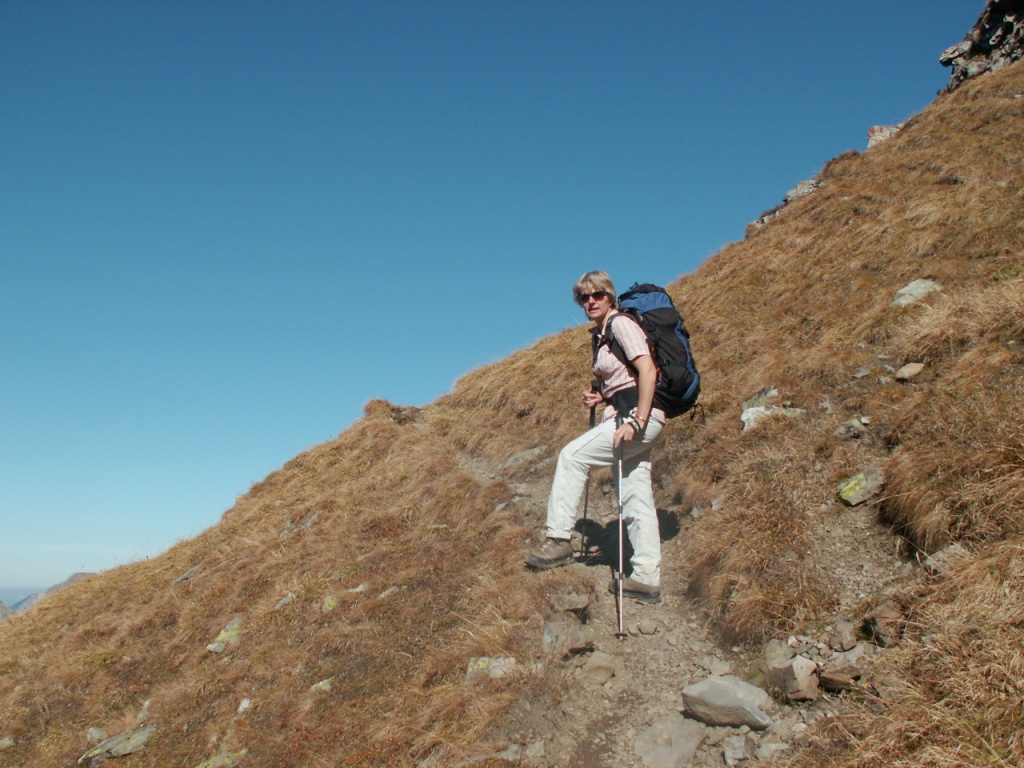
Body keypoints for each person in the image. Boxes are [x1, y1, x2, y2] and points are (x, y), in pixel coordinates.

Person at [525, 270, 664, 603]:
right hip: (632, 415)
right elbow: (625, 378)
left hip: (634, 419)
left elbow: (648, 370)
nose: (590, 301)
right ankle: (646, 578)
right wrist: (601, 395)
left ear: (610, 296)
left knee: (572, 457)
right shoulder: (602, 334)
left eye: (597, 294)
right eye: (584, 297)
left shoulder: (620, 324)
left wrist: (636, 421)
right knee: (636, 496)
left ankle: (559, 540)